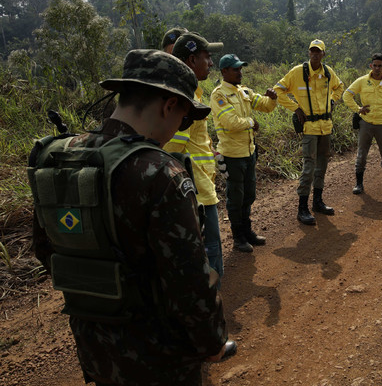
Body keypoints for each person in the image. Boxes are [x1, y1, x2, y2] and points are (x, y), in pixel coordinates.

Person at [28, 49, 237, 385]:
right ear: (169, 105)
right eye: (184, 117)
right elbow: (190, 281)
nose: (179, 126)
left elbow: (45, 249)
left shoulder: (58, 157)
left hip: (95, 346)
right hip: (160, 356)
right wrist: (211, 342)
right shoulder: (161, 172)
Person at [163, 32, 227, 281]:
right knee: (209, 256)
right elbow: (172, 150)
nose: (211, 63)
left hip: (199, 186)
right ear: (191, 60)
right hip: (195, 192)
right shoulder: (186, 98)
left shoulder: (192, 94)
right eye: (206, 57)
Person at [210, 54, 277, 252]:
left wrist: (272, 98)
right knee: (235, 197)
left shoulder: (244, 91)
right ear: (224, 72)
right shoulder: (218, 95)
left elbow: (264, 105)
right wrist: (251, 122)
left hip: (249, 152)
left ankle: (247, 232)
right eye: (236, 69)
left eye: (241, 69)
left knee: (249, 194)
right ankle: (238, 236)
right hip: (231, 155)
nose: (240, 72)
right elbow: (230, 122)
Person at [274, 39, 344, 225]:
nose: (315, 54)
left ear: (323, 54)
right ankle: (302, 208)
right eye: (312, 51)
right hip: (310, 129)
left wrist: (333, 101)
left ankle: (318, 202)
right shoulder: (297, 72)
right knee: (309, 167)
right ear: (308, 52)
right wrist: (295, 108)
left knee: (323, 165)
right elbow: (278, 90)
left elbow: (340, 87)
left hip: (325, 127)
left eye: (318, 51)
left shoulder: (328, 73)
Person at [342, 53, 382, 195]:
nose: (377, 68)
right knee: (362, 153)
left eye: (380, 66)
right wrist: (358, 109)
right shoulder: (361, 81)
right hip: (366, 123)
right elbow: (346, 95)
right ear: (370, 66)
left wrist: (381, 113)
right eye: (375, 65)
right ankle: (359, 184)